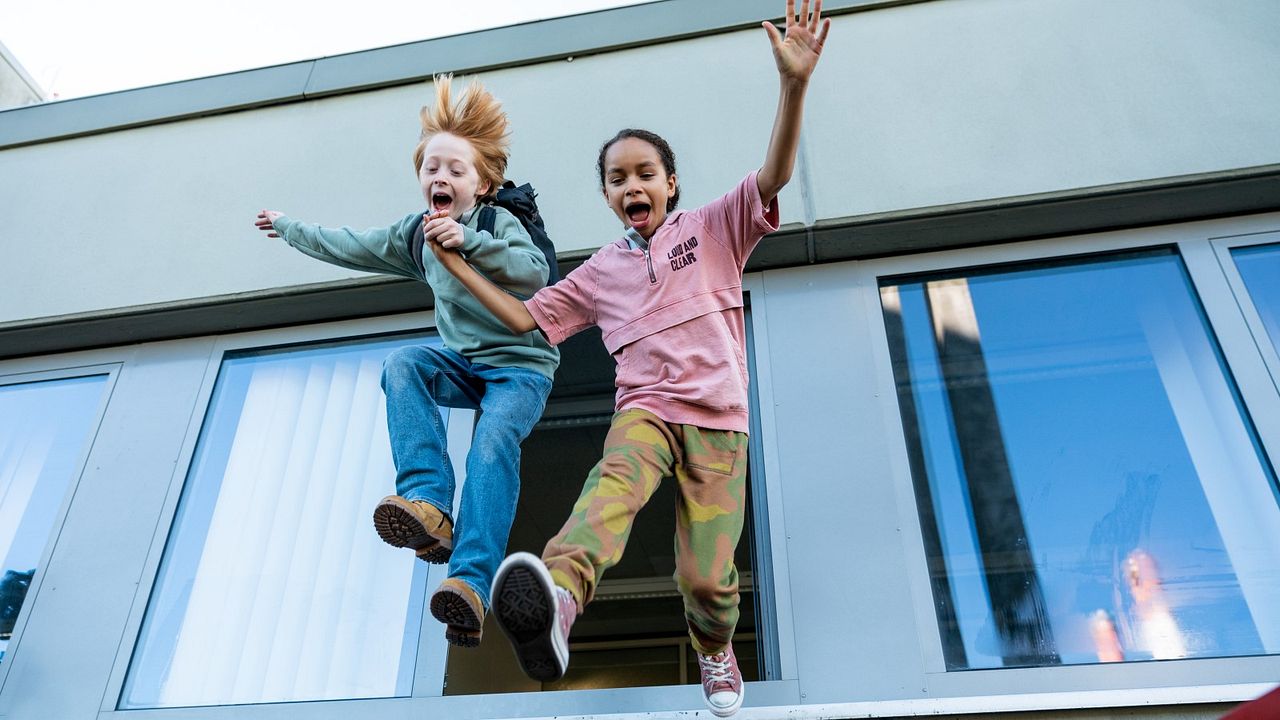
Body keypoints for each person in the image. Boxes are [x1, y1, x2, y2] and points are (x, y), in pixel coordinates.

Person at [428, 1, 829, 714]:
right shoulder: (601, 272)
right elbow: (527, 317)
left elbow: (771, 176)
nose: (632, 186)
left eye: (646, 173)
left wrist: (793, 84)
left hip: (719, 424)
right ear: (609, 196)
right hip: (645, 413)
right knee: (606, 498)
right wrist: (456, 263)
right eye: (617, 179)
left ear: (670, 184)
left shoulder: (715, 228)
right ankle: (557, 602)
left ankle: (713, 648)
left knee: (707, 580)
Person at [252, 76, 559, 648]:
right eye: (431, 169)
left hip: (521, 368)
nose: (440, 177)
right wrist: (290, 228)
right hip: (463, 362)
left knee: (492, 441)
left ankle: (468, 580)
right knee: (404, 365)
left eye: (456, 170)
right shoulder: (413, 236)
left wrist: (469, 245)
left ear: (483, 184)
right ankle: (429, 505)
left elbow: (533, 272)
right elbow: (351, 243)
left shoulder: (497, 224)